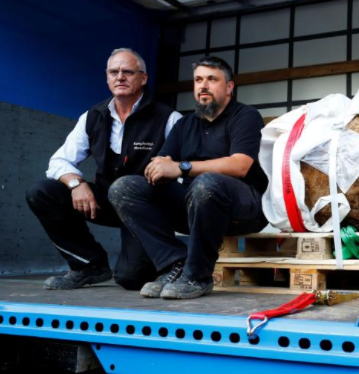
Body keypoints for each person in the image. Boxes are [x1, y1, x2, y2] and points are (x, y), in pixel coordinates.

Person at [109, 56, 268, 300]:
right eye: (198, 80)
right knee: (124, 188)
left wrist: (181, 167)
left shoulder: (245, 116)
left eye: (212, 79)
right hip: (197, 208)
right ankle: (174, 264)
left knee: (207, 182)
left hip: (243, 209)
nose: (203, 86)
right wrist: (160, 171)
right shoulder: (184, 124)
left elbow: (240, 165)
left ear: (229, 87)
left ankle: (197, 276)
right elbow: (160, 164)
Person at [26, 48, 181, 290]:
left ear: (143, 78)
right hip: (106, 201)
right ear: (107, 78)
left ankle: (175, 259)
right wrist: (76, 184)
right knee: (43, 192)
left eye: (128, 72)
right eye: (114, 72)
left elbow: (184, 170)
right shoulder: (92, 116)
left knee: (131, 278)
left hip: (146, 208)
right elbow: (58, 162)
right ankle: (88, 265)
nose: (120, 77)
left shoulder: (169, 118)